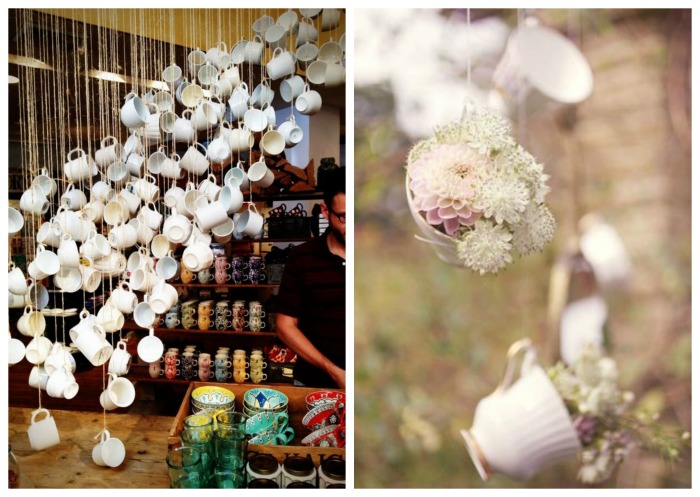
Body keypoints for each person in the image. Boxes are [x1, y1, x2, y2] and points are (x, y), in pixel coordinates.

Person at [275, 166, 346, 388]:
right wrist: (332, 370)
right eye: (344, 217)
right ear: (326, 212)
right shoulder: (302, 258)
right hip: (313, 383)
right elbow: (285, 325)